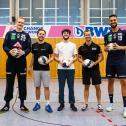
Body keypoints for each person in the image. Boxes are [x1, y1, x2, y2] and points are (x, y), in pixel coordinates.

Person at [1, 17, 31, 112]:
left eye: (22, 23)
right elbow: (4, 46)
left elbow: (29, 48)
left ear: (23, 24)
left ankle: (22, 104)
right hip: (11, 62)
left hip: (22, 62)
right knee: (9, 83)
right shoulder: (9, 34)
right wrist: (10, 51)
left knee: (22, 83)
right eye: (19, 22)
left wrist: (24, 52)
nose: (20, 24)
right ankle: (7, 104)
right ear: (16, 23)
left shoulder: (26, 35)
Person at [104, 14, 126, 117]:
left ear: (117, 21)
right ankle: (111, 104)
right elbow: (104, 48)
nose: (112, 22)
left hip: (121, 61)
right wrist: (107, 48)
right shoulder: (107, 35)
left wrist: (119, 47)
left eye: (114, 20)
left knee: (124, 82)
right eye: (111, 20)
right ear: (109, 22)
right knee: (110, 82)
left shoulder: (124, 32)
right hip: (110, 61)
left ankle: (125, 108)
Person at [28, 28, 54, 113]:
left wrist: (48, 61)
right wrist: (30, 67)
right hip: (36, 69)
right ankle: (37, 103)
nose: (41, 35)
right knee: (37, 87)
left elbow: (52, 56)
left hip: (46, 70)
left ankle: (47, 104)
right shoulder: (34, 45)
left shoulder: (48, 45)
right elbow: (32, 57)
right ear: (37, 35)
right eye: (40, 34)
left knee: (46, 87)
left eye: (43, 34)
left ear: (44, 35)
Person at [78, 30, 104, 111]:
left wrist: (95, 63)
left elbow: (101, 57)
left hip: (95, 69)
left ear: (91, 35)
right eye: (86, 35)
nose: (87, 36)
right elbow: (79, 58)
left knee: (97, 86)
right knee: (86, 86)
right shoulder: (81, 47)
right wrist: (83, 62)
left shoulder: (96, 46)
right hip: (85, 70)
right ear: (84, 36)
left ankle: (99, 104)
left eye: (89, 35)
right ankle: (85, 104)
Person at [54, 29, 77, 111]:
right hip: (61, 69)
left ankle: (72, 104)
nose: (66, 34)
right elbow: (55, 56)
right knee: (61, 87)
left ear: (69, 34)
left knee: (71, 87)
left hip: (71, 68)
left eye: (67, 33)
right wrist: (60, 61)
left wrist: (70, 62)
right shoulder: (58, 45)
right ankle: (61, 103)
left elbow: (75, 57)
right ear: (62, 34)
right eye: (64, 33)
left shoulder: (73, 45)